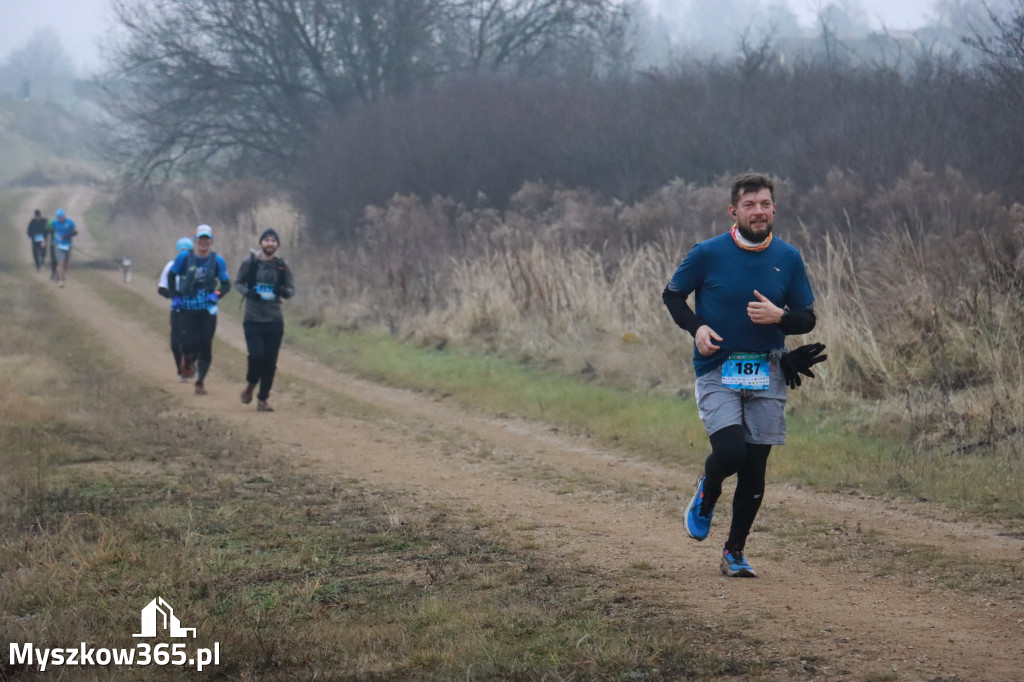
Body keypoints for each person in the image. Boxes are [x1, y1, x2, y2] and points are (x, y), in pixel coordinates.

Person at [662, 173, 824, 578]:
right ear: (733, 211)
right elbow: (673, 295)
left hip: (767, 369)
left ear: (774, 209)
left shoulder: (788, 257)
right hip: (717, 367)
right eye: (749, 205)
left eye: (765, 204)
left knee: (754, 468)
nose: (758, 211)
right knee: (731, 453)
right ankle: (708, 491)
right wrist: (697, 328)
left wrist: (781, 317)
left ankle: (734, 552)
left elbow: (807, 317)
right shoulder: (708, 253)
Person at [234, 228, 295, 412]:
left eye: (273, 241)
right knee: (256, 356)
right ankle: (251, 384)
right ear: (261, 243)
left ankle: (263, 399)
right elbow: (238, 283)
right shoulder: (250, 262)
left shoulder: (282, 265)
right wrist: (249, 293)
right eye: (267, 240)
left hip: (274, 319)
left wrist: (283, 292)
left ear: (277, 245)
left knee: (270, 362)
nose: (270, 243)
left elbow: (291, 290)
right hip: (252, 317)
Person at [167, 225, 231, 395]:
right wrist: (175, 296)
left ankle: (200, 382)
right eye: (201, 238)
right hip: (186, 306)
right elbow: (171, 275)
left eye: (206, 239)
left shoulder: (217, 261)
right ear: (195, 240)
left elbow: (226, 284)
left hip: (207, 309)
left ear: (211, 241)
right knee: (187, 342)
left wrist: (216, 294)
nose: (203, 242)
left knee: (205, 344)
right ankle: (188, 360)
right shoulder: (184, 258)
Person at [158, 237, 194, 382]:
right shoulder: (171, 266)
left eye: (187, 251)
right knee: (175, 343)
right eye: (182, 250)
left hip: (195, 309)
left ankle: (190, 364)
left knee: (191, 341)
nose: (184, 254)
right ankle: (181, 371)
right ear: (178, 251)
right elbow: (161, 289)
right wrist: (174, 295)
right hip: (177, 309)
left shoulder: (198, 267)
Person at [49, 209, 78, 287]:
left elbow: (75, 232)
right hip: (58, 245)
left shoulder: (70, 222)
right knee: (60, 263)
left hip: (68, 245)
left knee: (65, 264)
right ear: (57, 218)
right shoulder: (54, 223)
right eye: (59, 218)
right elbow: (49, 229)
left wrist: (67, 236)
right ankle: (61, 280)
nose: (60, 219)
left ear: (64, 216)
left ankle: (60, 275)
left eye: (62, 217)